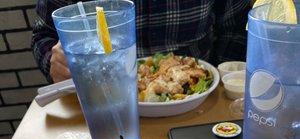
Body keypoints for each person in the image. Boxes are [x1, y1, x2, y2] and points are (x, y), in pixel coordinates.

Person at [32, 0, 251, 83]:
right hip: (103, 102)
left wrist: (222, 79)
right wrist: (55, 61)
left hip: (198, 105)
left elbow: (236, 27)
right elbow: (44, 36)